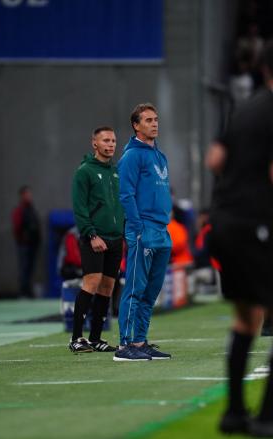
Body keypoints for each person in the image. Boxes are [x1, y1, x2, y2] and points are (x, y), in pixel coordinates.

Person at [206, 33, 273, 437]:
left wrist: (239, 181)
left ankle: (234, 414)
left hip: (223, 224)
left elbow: (215, 159)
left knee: (247, 319)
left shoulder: (244, 108)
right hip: (255, 228)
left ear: (265, 69)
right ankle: (267, 417)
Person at [114, 103, 173, 362]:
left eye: (156, 119)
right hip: (143, 230)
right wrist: (136, 228)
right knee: (135, 289)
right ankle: (124, 345)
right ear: (136, 126)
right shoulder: (131, 156)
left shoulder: (160, 156)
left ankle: (140, 340)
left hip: (161, 230)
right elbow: (125, 195)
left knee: (151, 291)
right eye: (148, 120)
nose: (154, 123)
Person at [69, 126, 125, 353]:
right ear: (95, 144)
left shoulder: (115, 172)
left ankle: (95, 338)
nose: (110, 145)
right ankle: (75, 338)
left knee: (108, 287)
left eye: (113, 141)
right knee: (91, 283)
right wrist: (91, 234)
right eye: (105, 141)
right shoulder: (84, 172)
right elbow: (79, 208)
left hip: (115, 238)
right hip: (94, 238)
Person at [11, 185, 41, 298]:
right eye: (27, 194)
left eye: (30, 194)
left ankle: (28, 292)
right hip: (24, 245)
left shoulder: (31, 209)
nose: (29, 196)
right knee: (24, 268)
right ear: (22, 195)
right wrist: (22, 240)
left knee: (29, 269)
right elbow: (17, 227)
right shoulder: (19, 210)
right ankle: (23, 292)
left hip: (32, 244)